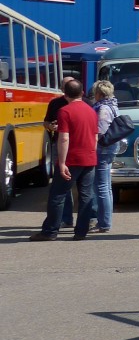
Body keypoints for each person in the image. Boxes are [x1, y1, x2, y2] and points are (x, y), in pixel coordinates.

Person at [29, 77, 97, 241]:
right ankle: (81, 232)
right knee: (86, 196)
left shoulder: (65, 111)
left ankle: (50, 231)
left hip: (72, 158)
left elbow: (64, 138)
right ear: (82, 92)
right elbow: (95, 136)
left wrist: (62, 162)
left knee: (57, 195)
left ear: (65, 94)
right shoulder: (91, 110)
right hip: (89, 158)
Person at [42, 77, 78, 229]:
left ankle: (90, 219)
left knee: (84, 187)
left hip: (76, 145)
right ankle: (66, 218)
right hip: (59, 144)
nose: (65, 89)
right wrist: (52, 126)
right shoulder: (55, 103)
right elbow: (46, 123)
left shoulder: (83, 104)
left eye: (68, 86)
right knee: (64, 184)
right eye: (64, 86)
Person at [91, 79, 119, 233]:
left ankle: (104, 223)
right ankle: (105, 221)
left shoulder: (103, 108)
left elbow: (100, 131)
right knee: (106, 187)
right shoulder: (113, 105)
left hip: (103, 149)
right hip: (109, 148)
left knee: (101, 187)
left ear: (99, 93)